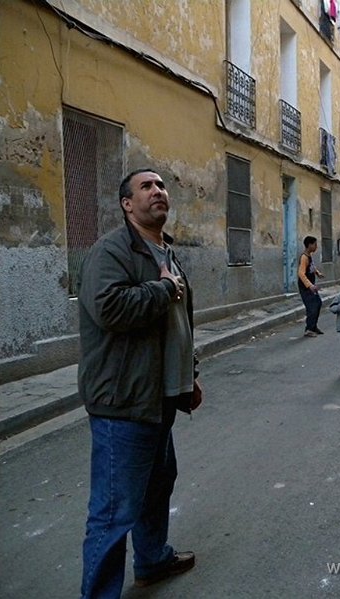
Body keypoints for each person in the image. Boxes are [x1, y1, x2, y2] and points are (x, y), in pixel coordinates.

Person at [78, 169, 202, 598]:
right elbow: (109, 309)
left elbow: (177, 325)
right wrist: (163, 289)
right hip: (124, 401)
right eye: (146, 187)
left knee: (156, 485)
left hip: (160, 395)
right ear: (127, 204)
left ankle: (152, 560)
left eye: (162, 185)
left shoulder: (165, 250)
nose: (158, 191)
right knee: (113, 511)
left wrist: (190, 375)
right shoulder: (111, 251)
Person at [298, 236, 325, 337]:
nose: (316, 246)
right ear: (309, 245)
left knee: (318, 303)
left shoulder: (309, 255)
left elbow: (312, 267)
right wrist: (309, 285)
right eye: (315, 244)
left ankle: (313, 326)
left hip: (311, 286)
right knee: (312, 307)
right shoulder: (304, 257)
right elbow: (301, 273)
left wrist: (318, 273)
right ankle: (309, 329)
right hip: (306, 287)